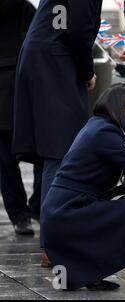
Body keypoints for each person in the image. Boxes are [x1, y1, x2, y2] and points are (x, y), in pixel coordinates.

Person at [42, 83, 125, 291]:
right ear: (120, 107)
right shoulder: (105, 133)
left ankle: (90, 271)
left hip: (62, 216)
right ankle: (91, 268)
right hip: (67, 218)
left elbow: (90, 187)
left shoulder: (100, 126)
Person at [12, 0, 102, 265]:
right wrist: (87, 70)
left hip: (45, 58)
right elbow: (79, 29)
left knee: (56, 151)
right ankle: (54, 244)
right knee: (60, 152)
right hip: (55, 61)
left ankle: (53, 241)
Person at [0, 0, 42, 235]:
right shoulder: (25, 7)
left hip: (19, 83)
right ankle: (31, 208)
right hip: (25, 83)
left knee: (7, 160)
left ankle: (22, 214)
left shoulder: (24, 7)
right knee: (39, 152)